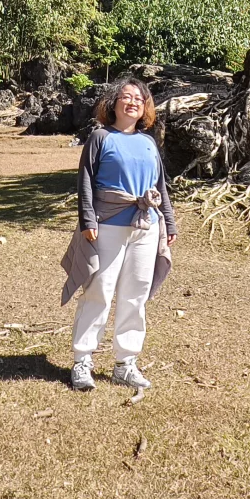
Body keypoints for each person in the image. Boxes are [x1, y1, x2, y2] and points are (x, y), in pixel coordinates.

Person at [59, 77, 177, 391]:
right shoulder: (100, 137)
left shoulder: (148, 142)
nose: (133, 102)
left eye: (139, 98)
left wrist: (169, 222)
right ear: (114, 103)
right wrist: (87, 220)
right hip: (107, 224)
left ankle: (125, 364)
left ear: (145, 107)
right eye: (126, 96)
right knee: (98, 291)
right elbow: (85, 181)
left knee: (136, 296)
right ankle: (82, 360)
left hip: (146, 227)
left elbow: (160, 187)